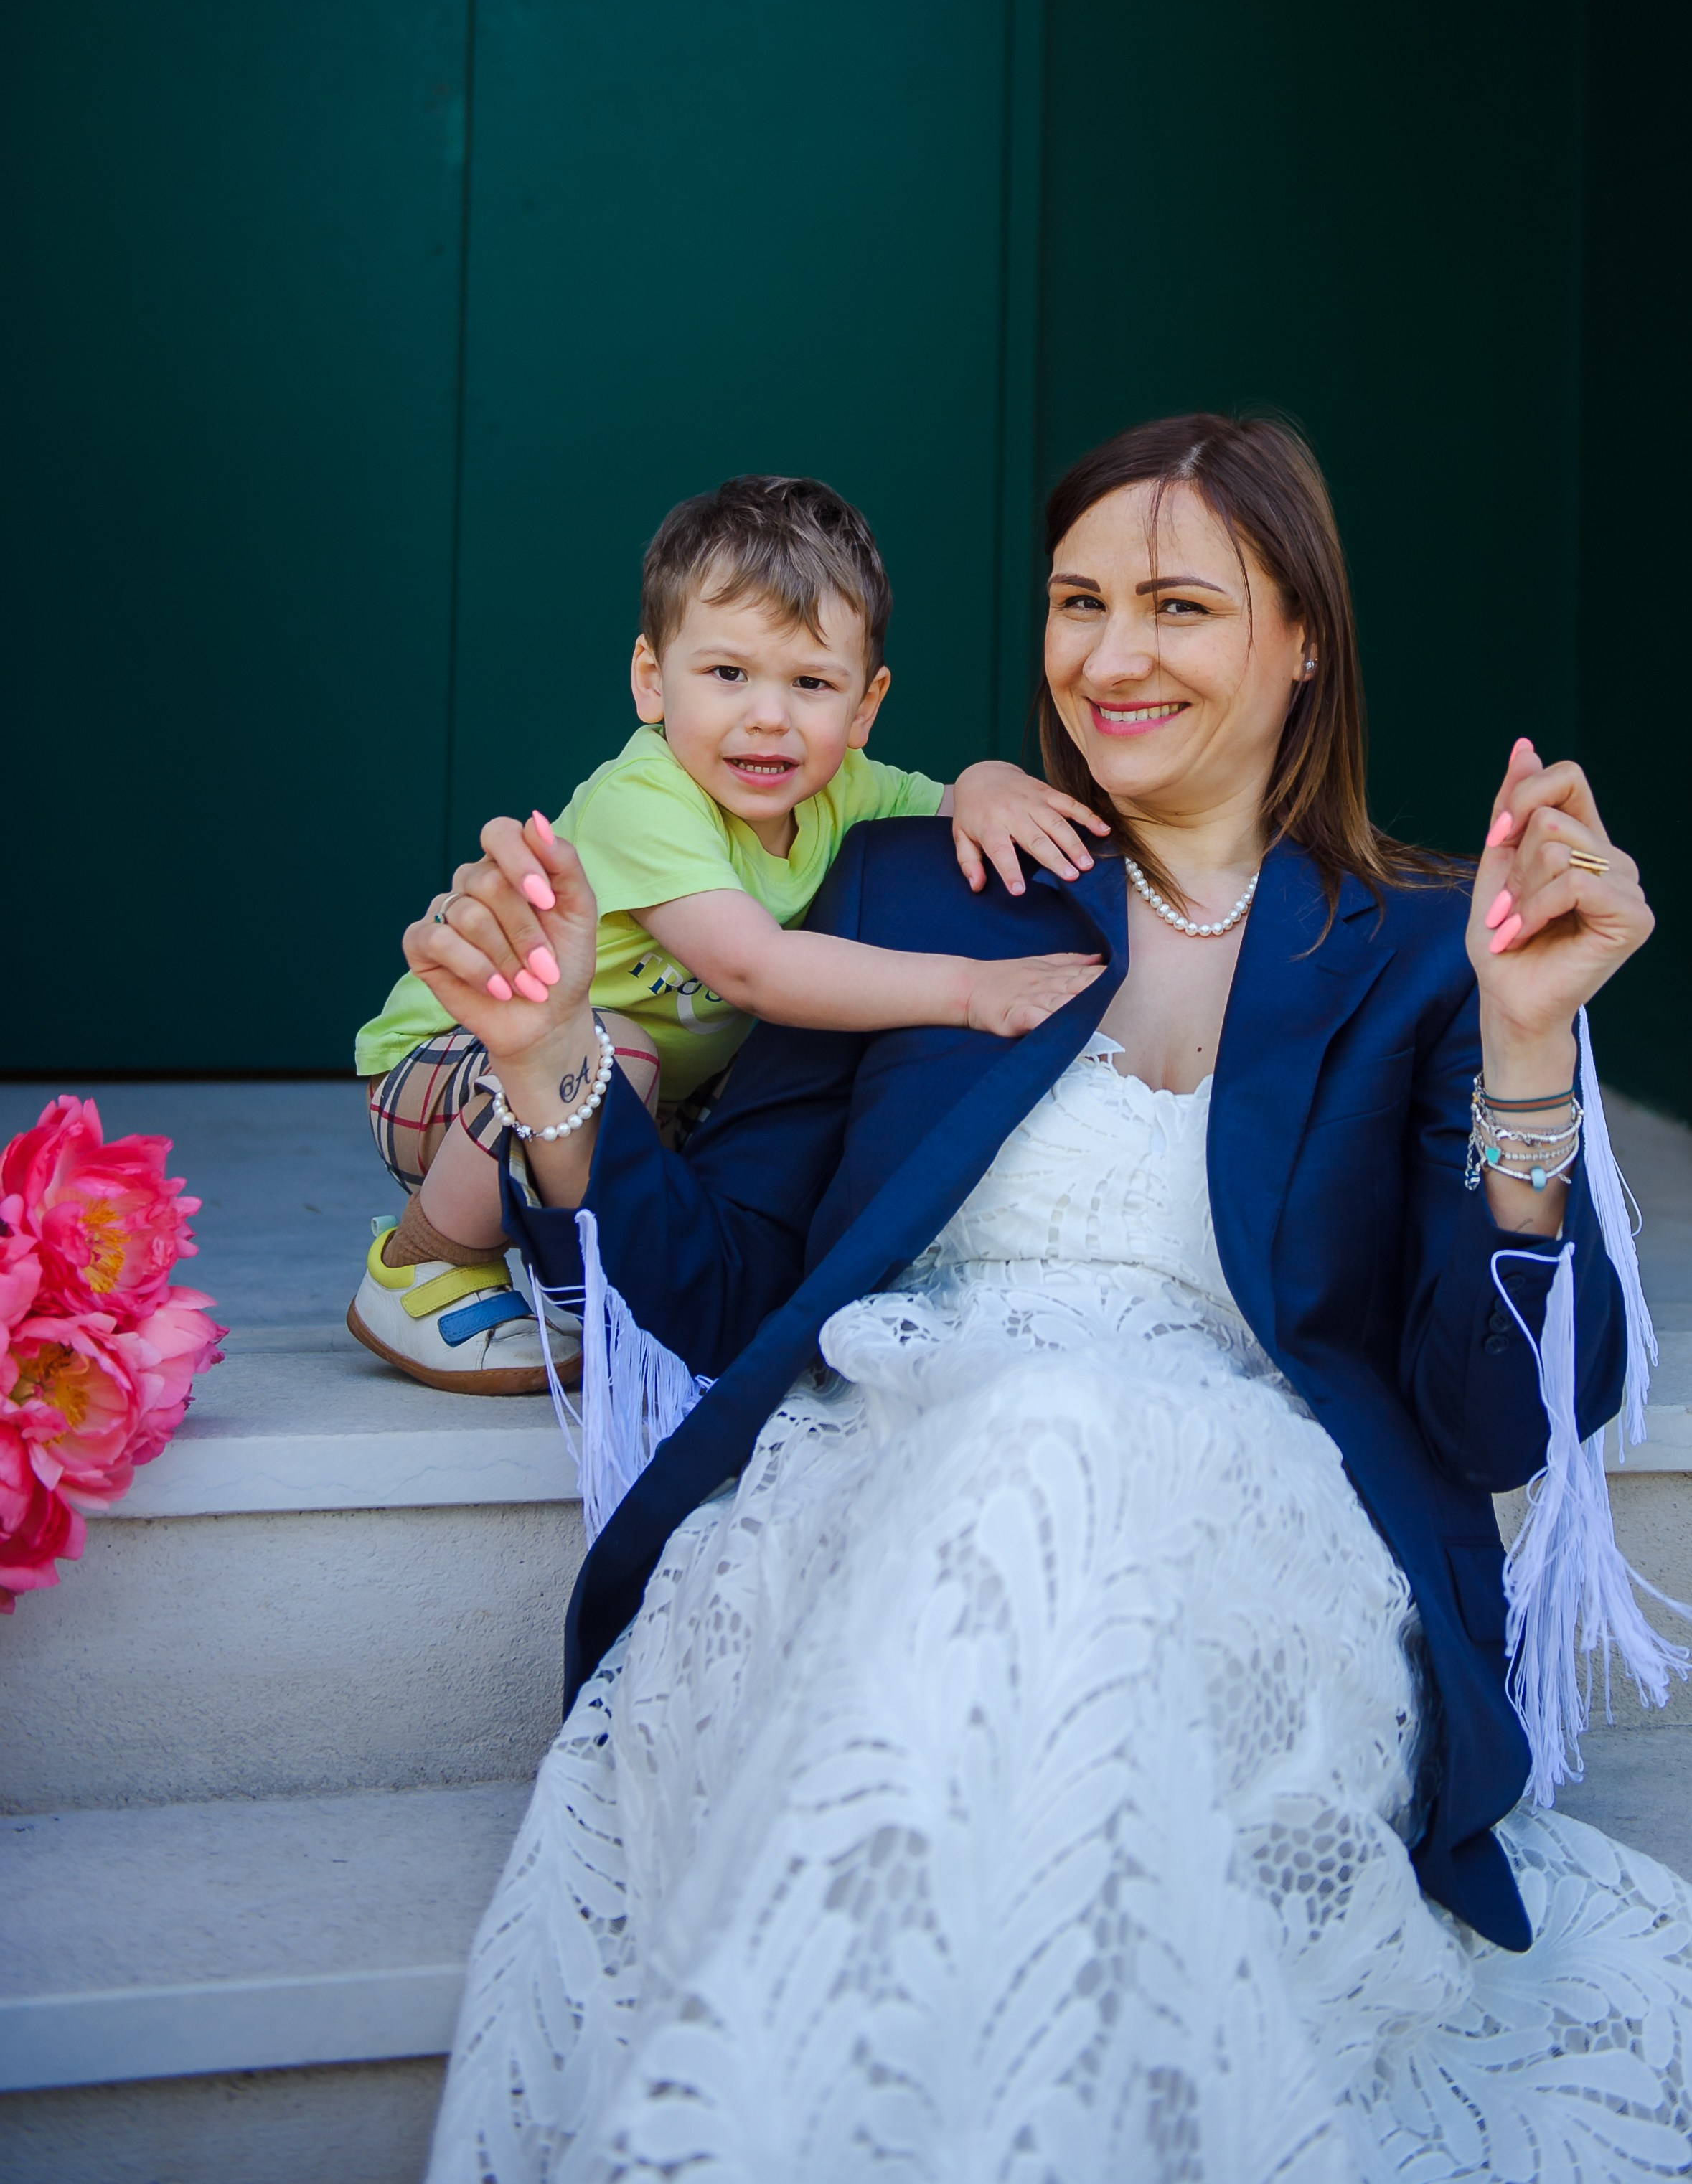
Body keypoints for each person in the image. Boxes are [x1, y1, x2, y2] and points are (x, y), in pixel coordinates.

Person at [418, 414, 1688, 2181]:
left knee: (1068, 1440)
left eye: (1178, 604)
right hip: (875, 1500)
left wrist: (1528, 1051)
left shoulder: (1423, 945)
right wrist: (554, 1058)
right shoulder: (907, 884)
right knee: (1031, 1441)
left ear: (1300, 636)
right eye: (1077, 600)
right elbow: (724, 1290)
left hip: (1246, 1549)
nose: (1108, 655)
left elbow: (1498, 1418)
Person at [349, 474, 1105, 1393]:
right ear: (650, 679)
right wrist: (971, 991)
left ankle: (602, 1272)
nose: (769, 717)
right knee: (619, 1049)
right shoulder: (645, 798)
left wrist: (987, 780)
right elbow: (753, 969)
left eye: (811, 683)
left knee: (731, 1100)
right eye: (727, 674)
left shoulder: (846, 790)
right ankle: (424, 1259)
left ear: (864, 707)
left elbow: (946, 805)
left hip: (634, 1096)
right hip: (452, 1067)